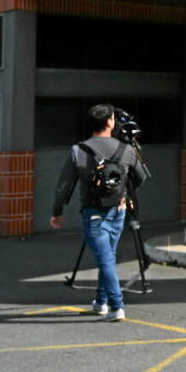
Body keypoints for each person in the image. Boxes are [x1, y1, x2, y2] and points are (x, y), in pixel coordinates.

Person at [51, 104, 147, 322]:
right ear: (110, 122)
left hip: (93, 213)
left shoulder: (79, 150)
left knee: (106, 261)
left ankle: (116, 306)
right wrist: (124, 195)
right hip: (118, 211)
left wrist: (57, 212)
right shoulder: (127, 150)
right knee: (108, 258)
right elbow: (140, 177)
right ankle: (101, 302)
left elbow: (63, 186)